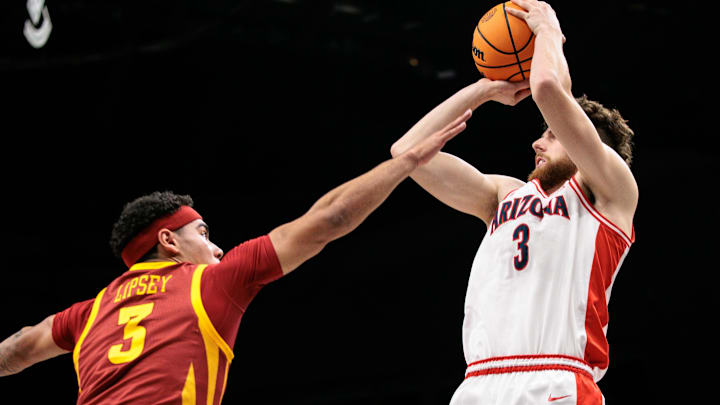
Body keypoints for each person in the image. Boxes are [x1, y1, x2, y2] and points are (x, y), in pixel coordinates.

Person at [0, 109, 472, 404]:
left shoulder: (90, 313)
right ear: (168, 241)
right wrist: (406, 162)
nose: (217, 247)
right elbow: (329, 218)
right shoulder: (212, 281)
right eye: (204, 233)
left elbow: (19, 347)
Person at [390, 1, 637, 403]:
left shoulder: (611, 191)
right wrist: (484, 89)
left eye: (554, 135)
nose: (538, 141)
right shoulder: (504, 194)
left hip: (555, 379)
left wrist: (548, 33)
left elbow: (545, 88)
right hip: (478, 383)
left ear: (591, 145)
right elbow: (407, 153)